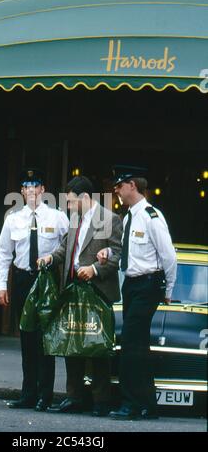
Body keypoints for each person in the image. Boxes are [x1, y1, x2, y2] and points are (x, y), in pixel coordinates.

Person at [97, 165, 177, 420]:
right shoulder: (129, 217)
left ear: (133, 185)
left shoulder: (151, 216)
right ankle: (146, 404)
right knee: (138, 346)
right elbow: (125, 250)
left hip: (147, 284)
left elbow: (169, 256)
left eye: (119, 186)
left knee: (131, 344)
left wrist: (169, 289)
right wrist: (107, 253)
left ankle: (131, 403)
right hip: (132, 285)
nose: (116, 191)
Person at [39, 176, 122, 417]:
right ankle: (73, 398)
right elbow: (66, 249)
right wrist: (50, 258)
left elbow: (117, 254)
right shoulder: (75, 219)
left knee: (96, 347)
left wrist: (95, 269)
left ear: (85, 198)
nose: (69, 207)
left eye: (72, 202)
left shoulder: (110, 219)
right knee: (71, 344)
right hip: (72, 289)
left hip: (97, 291)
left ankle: (101, 401)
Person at [0, 168, 69, 411]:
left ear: (43, 190)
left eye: (35, 186)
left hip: (47, 281)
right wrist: (1, 285)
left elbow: (69, 250)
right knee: (27, 338)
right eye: (26, 186)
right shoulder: (13, 218)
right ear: (22, 191)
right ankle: (28, 393)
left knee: (45, 340)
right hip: (23, 280)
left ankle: (45, 395)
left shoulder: (58, 217)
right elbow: (3, 253)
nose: (31, 191)